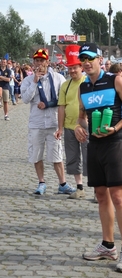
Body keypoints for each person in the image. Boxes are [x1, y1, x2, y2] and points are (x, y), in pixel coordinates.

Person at [74, 42, 122, 273]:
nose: (87, 62)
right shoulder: (83, 87)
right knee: (101, 195)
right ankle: (108, 245)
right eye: (84, 59)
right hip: (95, 145)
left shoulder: (115, 80)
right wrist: (78, 127)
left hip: (115, 143)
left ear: (100, 60)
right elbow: (82, 116)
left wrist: (117, 127)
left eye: (91, 58)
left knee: (118, 196)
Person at [21, 48, 76, 195]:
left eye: (42, 60)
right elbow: (25, 99)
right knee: (36, 154)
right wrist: (34, 82)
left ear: (47, 62)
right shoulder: (27, 80)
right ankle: (41, 182)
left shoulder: (58, 78)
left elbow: (65, 99)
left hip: (53, 123)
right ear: (33, 62)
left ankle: (62, 183)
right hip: (36, 123)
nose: (39, 63)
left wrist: (49, 104)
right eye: (36, 60)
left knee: (56, 154)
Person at [55, 44, 87, 199]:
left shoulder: (88, 81)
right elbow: (61, 107)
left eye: (75, 67)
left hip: (87, 126)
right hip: (69, 127)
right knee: (73, 157)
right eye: (70, 68)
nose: (73, 71)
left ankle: (96, 189)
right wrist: (60, 127)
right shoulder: (65, 85)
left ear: (81, 67)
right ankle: (79, 187)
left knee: (90, 157)